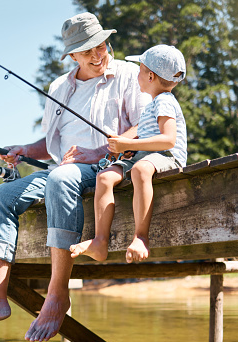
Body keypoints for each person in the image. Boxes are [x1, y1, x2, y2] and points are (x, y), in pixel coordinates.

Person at [0, 12, 151, 341]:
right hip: (63, 169)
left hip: (108, 165)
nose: (99, 55)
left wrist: (99, 152)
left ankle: (57, 292)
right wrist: (24, 150)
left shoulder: (128, 75)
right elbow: (51, 143)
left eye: (101, 45)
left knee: (62, 178)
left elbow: (143, 127)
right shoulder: (59, 87)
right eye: (88, 51)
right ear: (72, 55)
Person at [70, 44, 187, 264]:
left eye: (140, 70)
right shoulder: (153, 105)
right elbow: (146, 138)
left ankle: (140, 237)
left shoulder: (164, 102)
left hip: (168, 156)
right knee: (104, 177)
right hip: (145, 155)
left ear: (150, 76)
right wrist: (130, 147)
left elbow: (168, 140)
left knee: (141, 170)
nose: (137, 75)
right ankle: (100, 242)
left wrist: (127, 143)